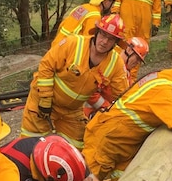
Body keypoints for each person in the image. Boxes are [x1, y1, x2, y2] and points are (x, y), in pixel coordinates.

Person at [20, 14, 129, 149]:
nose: (105, 41)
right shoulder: (73, 44)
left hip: (72, 111)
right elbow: (46, 65)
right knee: (33, 144)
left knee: (77, 147)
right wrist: (45, 98)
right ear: (96, 32)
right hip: (43, 102)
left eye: (111, 39)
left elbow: (123, 97)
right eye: (103, 35)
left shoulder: (115, 64)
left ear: (116, 43)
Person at [83, 36, 149, 119]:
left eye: (140, 61)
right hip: (92, 113)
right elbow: (90, 91)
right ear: (129, 51)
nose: (137, 63)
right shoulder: (110, 64)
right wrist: (108, 108)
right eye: (137, 59)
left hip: (109, 113)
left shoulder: (126, 73)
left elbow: (129, 93)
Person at [51, 0, 118, 48]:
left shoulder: (83, 7)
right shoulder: (95, 16)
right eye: (113, 3)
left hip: (57, 45)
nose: (113, 6)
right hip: (67, 50)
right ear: (106, 1)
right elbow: (88, 42)